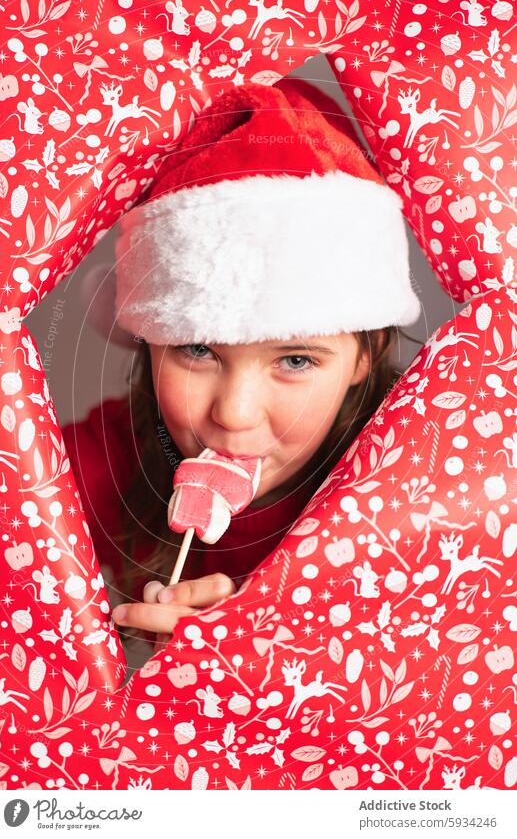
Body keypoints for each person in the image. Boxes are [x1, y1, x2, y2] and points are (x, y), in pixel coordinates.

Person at [62, 76, 422, 675]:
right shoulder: (111, 453)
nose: (233, 413)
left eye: (296, 360)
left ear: (365, 355)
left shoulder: (406, 491)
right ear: (148, 342)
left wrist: (269, 656)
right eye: (198, 350)